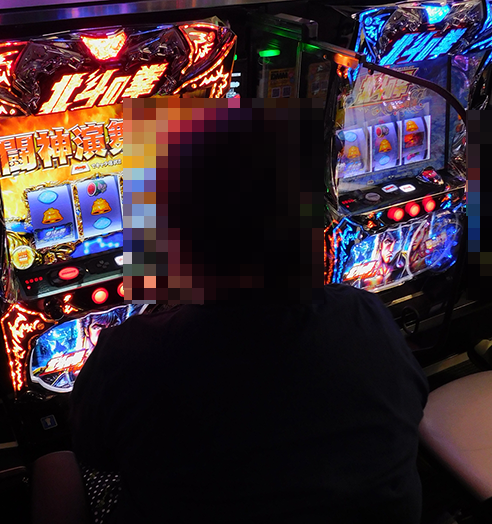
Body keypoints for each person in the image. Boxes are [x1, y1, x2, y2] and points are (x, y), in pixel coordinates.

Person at [69, 98, 429, 524]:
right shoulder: (363, 313)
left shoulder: (134, 353)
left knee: (58, 468)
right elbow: (414, 401)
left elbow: (92, 451)